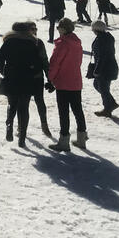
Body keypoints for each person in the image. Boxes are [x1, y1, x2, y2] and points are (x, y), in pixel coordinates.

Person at [0, 21, 50, 147]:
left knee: (12, 103)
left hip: (11, 78)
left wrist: (5, 72)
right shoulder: (32, 43)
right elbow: (38, 63)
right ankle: (22, 138)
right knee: (23, 108)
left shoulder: (8, 42)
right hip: (27, 79)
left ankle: (9, 124)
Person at [47, 18, 88, 151]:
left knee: (63, 112)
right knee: (77, 110)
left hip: (63, 82)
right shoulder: (77, 43)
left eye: (59, 27)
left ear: (63, 29)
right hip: (75, 81)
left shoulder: (63, 44)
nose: (57, 29)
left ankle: (64, 141)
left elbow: (55, 63)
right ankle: (82, 138)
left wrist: (50, 79)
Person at [89, 21, 119, 116]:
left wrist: (97, 70)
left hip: (104, 68)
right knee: (100, 86)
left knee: (102, 87)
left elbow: (101, 56)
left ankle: (108, 107)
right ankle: (111, 104)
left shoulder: (101, 40)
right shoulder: (107, 37)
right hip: (110, 66)